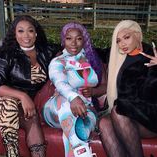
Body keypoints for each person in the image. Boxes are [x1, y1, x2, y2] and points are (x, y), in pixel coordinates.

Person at [98, 20, 157, 157]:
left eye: (127, 37)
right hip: (127, 116)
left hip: (152, 118)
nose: (122, 44)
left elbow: (149, 95)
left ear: (138, 35)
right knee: (104, 122)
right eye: (118, 40)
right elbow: (93, 51)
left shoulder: (150, 58)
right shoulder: (117, 56)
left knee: (118, 111)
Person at [0, 15, 60, 157]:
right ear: (14, 34)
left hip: (25, 106)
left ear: (36, 33)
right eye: (20, 31)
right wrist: (22, 96)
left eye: (30, 31)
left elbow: (75, 47)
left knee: (32, 116)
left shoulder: (47, 52)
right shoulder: (5, 55)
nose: (26, 36)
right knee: (10, 105)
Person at [42, 22, 107, 157]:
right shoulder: (58, 62)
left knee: (81, 123)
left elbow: (106, 87)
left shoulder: (93, 61)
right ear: (63, 40)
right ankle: (82, 153)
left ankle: (78, 153)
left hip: (87, 109)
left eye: (78, 38)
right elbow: (60, 82)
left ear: (84, 40)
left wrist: (93, 92)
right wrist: (74, 98)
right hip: (56, 109)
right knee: (65, 103)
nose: (74, 43)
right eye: (69, 38)